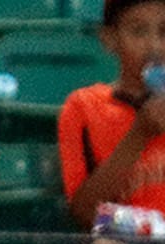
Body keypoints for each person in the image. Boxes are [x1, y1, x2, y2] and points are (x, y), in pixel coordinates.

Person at [58, 0, 165, 228]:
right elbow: (85, 213)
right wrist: (139, 134)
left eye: (164, 32)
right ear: (109, 39)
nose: (155, 47)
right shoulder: (83, 106)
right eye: (139, 31)